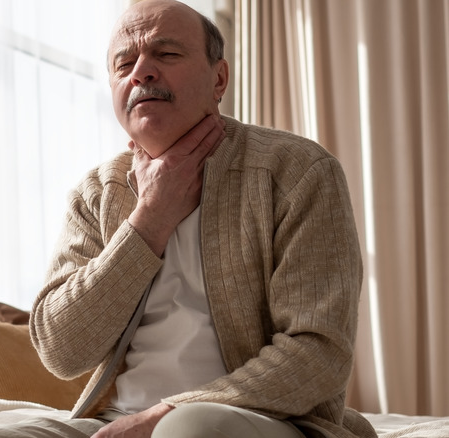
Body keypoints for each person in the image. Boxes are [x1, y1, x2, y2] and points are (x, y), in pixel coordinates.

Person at [28, 0, 378, 437]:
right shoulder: (95, 194)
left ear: (219, 79)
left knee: (189, 429)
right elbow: (60, 351)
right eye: (124, 63)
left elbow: (318, 352)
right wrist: (150, 218)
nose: (141, 72)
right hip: (111, 424)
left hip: (259, 419)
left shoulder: (299, 171)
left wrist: (168, 413)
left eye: (167, 54)